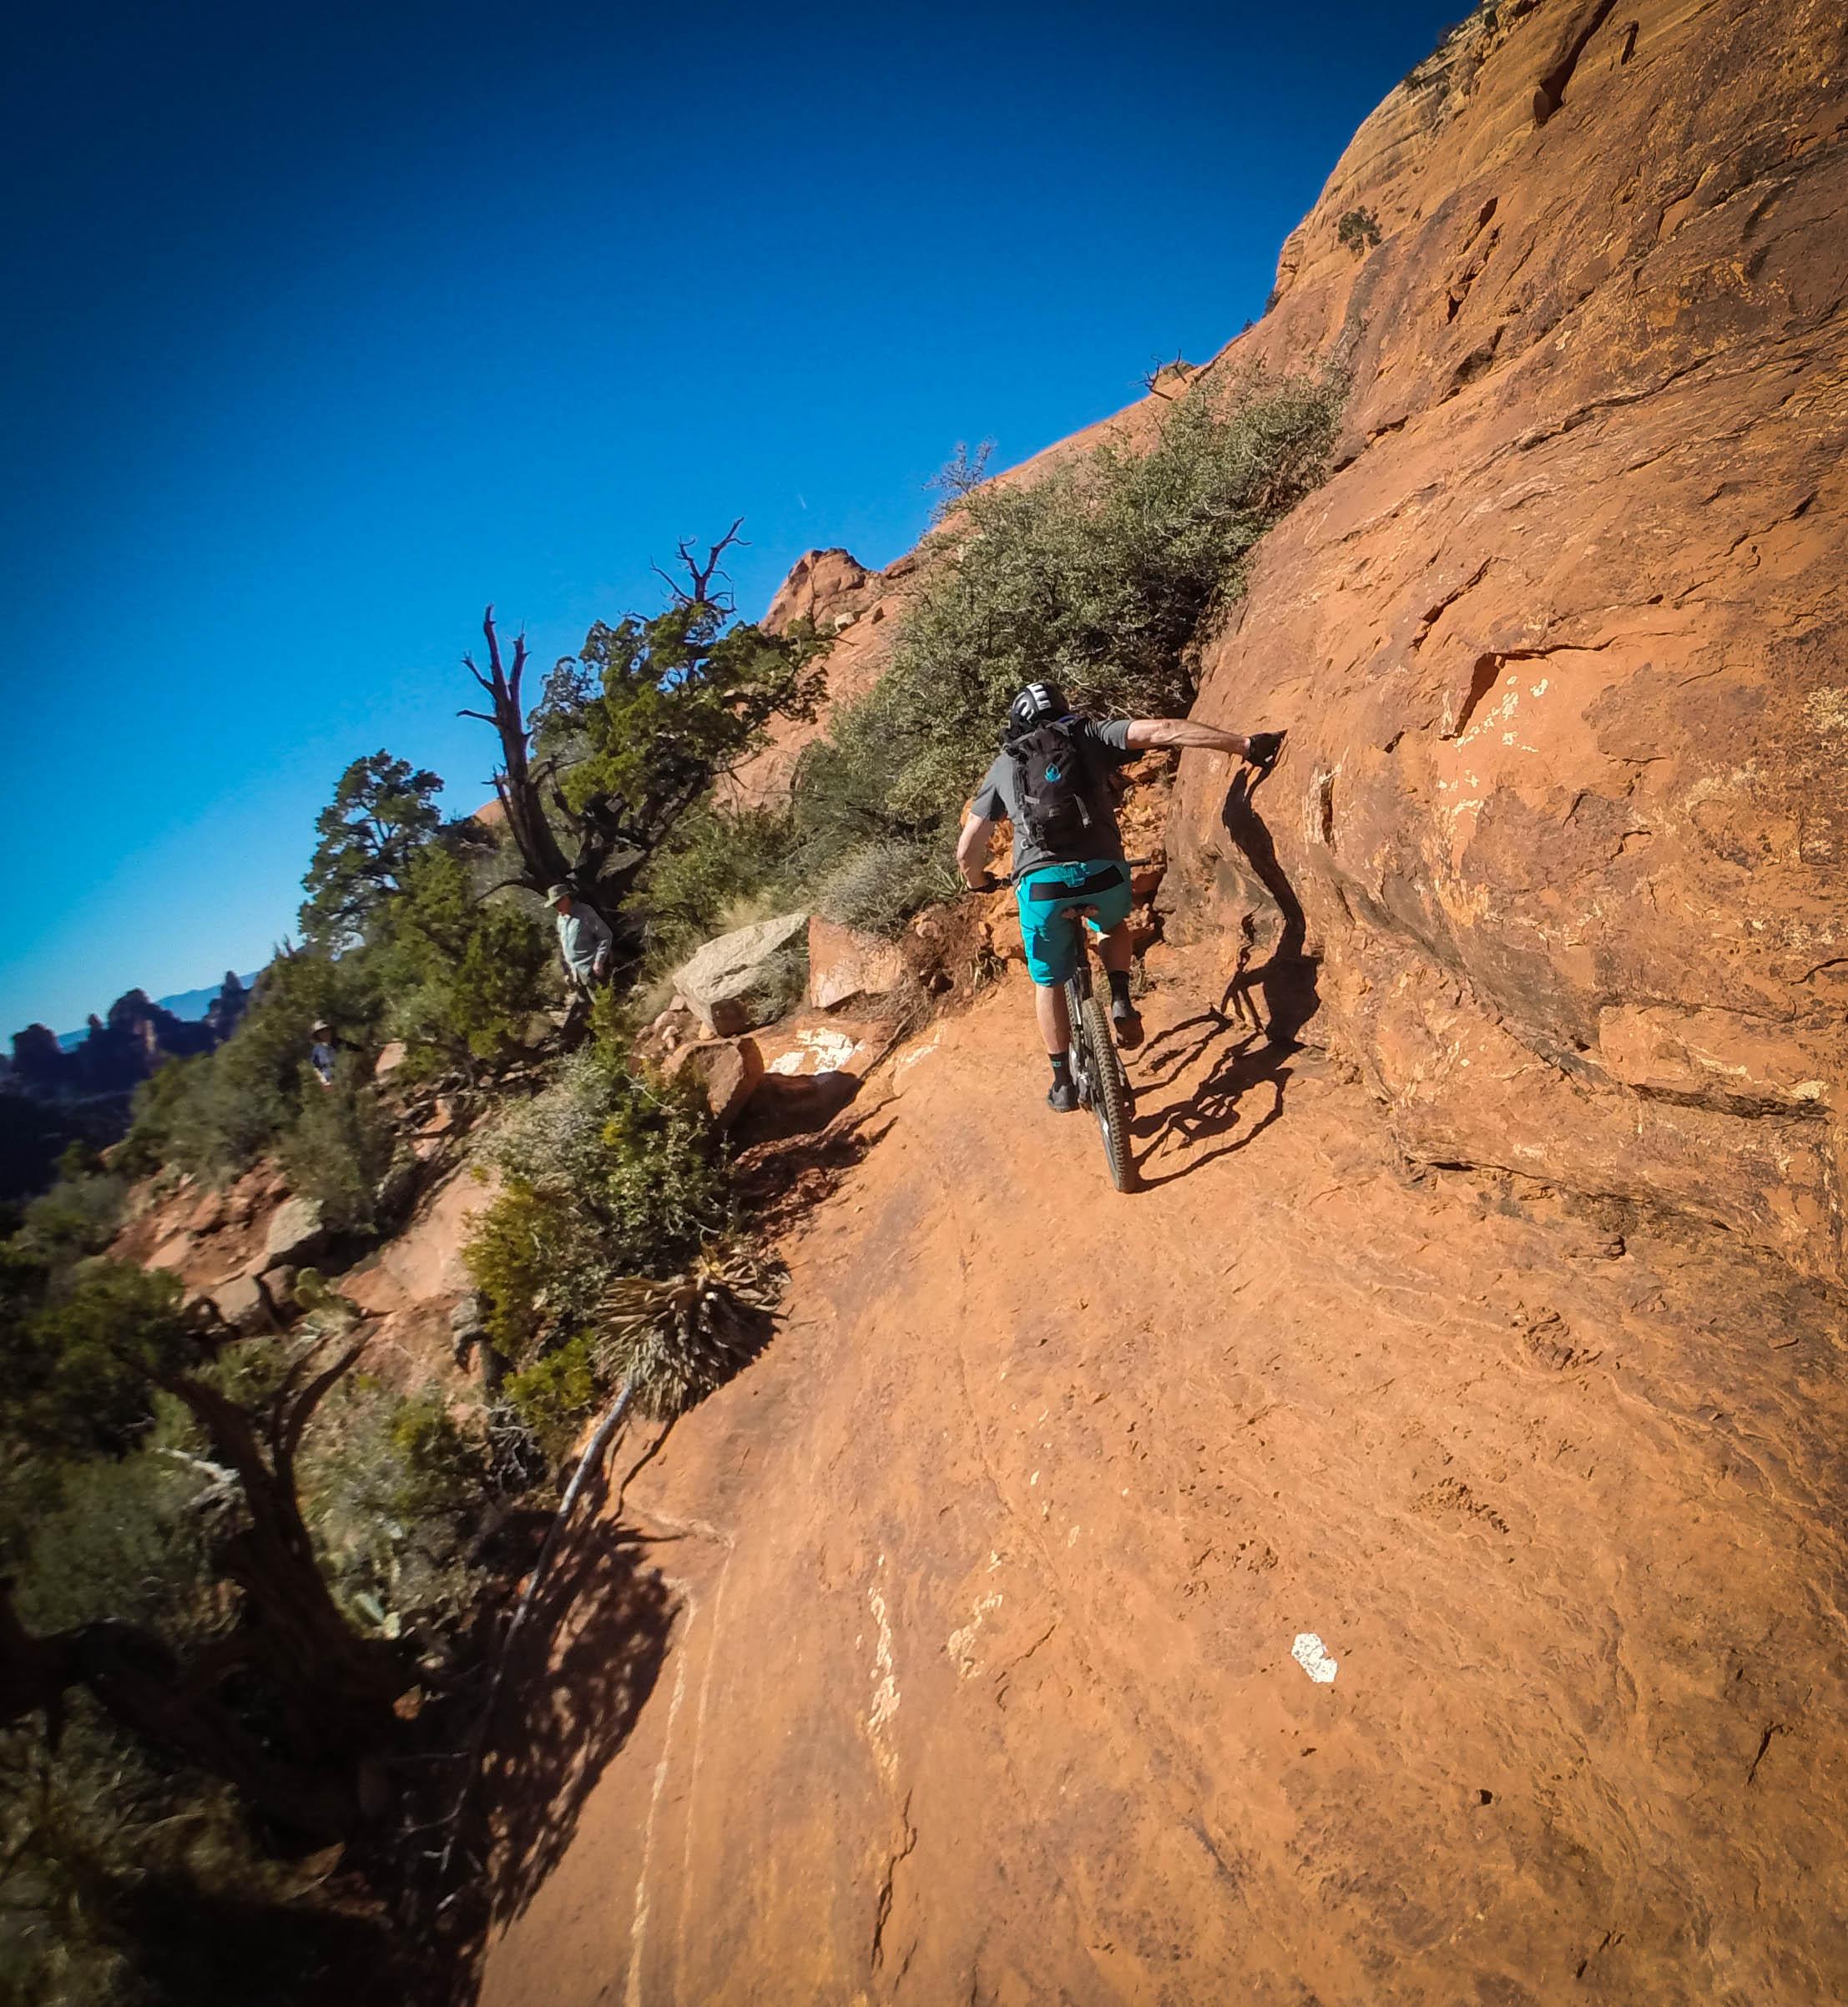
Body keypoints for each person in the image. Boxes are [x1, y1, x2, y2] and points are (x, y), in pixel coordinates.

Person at [956, 682, 1282, 1112]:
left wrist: (978, 881)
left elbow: (968, 850)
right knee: (1109, 924)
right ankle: (1120, 997)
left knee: (1048, 982)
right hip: (1104, 872)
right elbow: (1163, 730)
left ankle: (1063, 1083)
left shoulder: (1006, 763)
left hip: (1043, 885)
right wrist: (1244, 745)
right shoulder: (1090, 734)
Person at [546, 884, 613, 998]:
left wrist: (598, 961)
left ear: (566, 898)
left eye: (557, 903)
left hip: (591, 970)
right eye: (554, 905)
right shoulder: (560, 920)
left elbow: (605, 936)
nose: (556, 908)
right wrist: (566, 972)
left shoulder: (585, 912)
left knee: (604, 1005)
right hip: (575, 974)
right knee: (588, 1010)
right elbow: (564, 947)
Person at [308, 1021, 338, 1088]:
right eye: (321, 1032)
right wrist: (323, 1080)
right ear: (317, 1035)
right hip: (328, 1083)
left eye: (327, 1030)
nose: (325, 1033)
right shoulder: (317, 1049)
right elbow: (315, 1067)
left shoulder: (340, 1045)